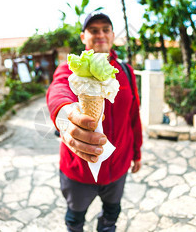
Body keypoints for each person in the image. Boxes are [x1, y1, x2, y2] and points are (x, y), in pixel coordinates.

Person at [46, 12, 143, 232]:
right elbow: (58, 90)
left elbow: (133, 116)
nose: (100, 34)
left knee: (111, 214)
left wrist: (136, 152)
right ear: (83, 37)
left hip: (118, 165)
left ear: (112, 35)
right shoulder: (72, 68)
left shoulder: (125, 71)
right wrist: (65, 115)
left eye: (105, 29)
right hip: (78, 169)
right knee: (75, 218)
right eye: (93, 30)